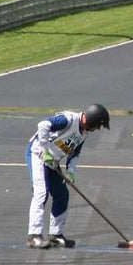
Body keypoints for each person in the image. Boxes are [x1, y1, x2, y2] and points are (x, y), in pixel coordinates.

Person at [26, 104, 110, 249]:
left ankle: (56, 235)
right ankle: (34, 236)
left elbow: (74, 153)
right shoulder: (68, 120)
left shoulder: (84, 133)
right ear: (92, 120)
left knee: (61, 195)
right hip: (37, 155)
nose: (97, 129)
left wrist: (70, 172)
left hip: (52, 161)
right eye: (98, 125)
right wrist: (45, 151)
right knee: (41, 192)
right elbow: (43, 125)